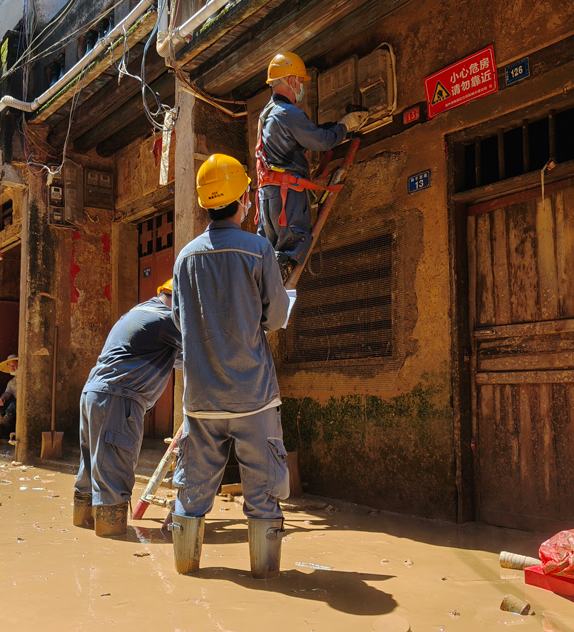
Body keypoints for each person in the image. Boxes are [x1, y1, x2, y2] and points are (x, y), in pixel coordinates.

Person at [170, 154, 291, 578]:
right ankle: (265, 575)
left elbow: (179, 323)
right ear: (244, 199)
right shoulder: (258, 249)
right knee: (263, 490)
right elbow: (275, 318)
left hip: (201, 399)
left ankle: (186, 569)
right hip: (253, 398)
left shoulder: (184, 258)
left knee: (193, 491)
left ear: (205, 204)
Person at [73, 279, 183, 537]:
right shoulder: (166, 320)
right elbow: (203, 349)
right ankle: (112, 543)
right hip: (118, 399)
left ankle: (83, 524)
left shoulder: (138, 314)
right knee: (114, 471)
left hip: (94, 394)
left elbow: (178, 358)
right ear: (178, 301)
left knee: (90, 469)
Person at [255, 52, 369, 275]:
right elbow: (322, 140)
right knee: (289, 255)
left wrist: (330, 126)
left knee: (272, 261)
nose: (301, 87)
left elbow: (303, 136)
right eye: (300, 81)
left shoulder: (266, 115)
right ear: (291, 81)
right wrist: (345, 126)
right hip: (287, 198)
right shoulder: (288, 113)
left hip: (267, 199)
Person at [0, 355, 18, 441]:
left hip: (23, 404)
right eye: (9, 365)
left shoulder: (26, 378)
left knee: (13, 405)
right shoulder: (11, 382)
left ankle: (0, 430)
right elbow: (8, 392)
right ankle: (2, 432)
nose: (12, 367)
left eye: (14, 364)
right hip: (15, 405)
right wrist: (2, 398)